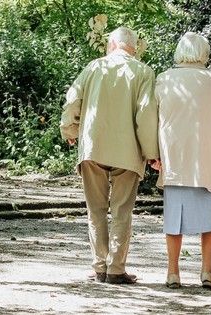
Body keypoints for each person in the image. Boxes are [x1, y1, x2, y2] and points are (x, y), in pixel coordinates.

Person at [60, 27, 159, 284]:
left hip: (94, 148)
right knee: (122, 211)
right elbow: (146, 115)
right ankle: (116, 269)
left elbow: (73, 101)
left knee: (96, 210)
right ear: (134, 48)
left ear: (112, 44)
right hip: (128, 152)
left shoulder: (93, 67)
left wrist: (69, 129)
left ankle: (100, 267)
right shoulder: (144, 72)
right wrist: (151, 153)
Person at [150, 32, 211, 289]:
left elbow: (152, 121)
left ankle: (172, 272)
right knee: (209, 219)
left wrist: (153, 155)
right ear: (205, 53)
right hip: (207, 160)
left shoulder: (164, 79)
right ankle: (206, 271)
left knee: (173, 219)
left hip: (175, 159)